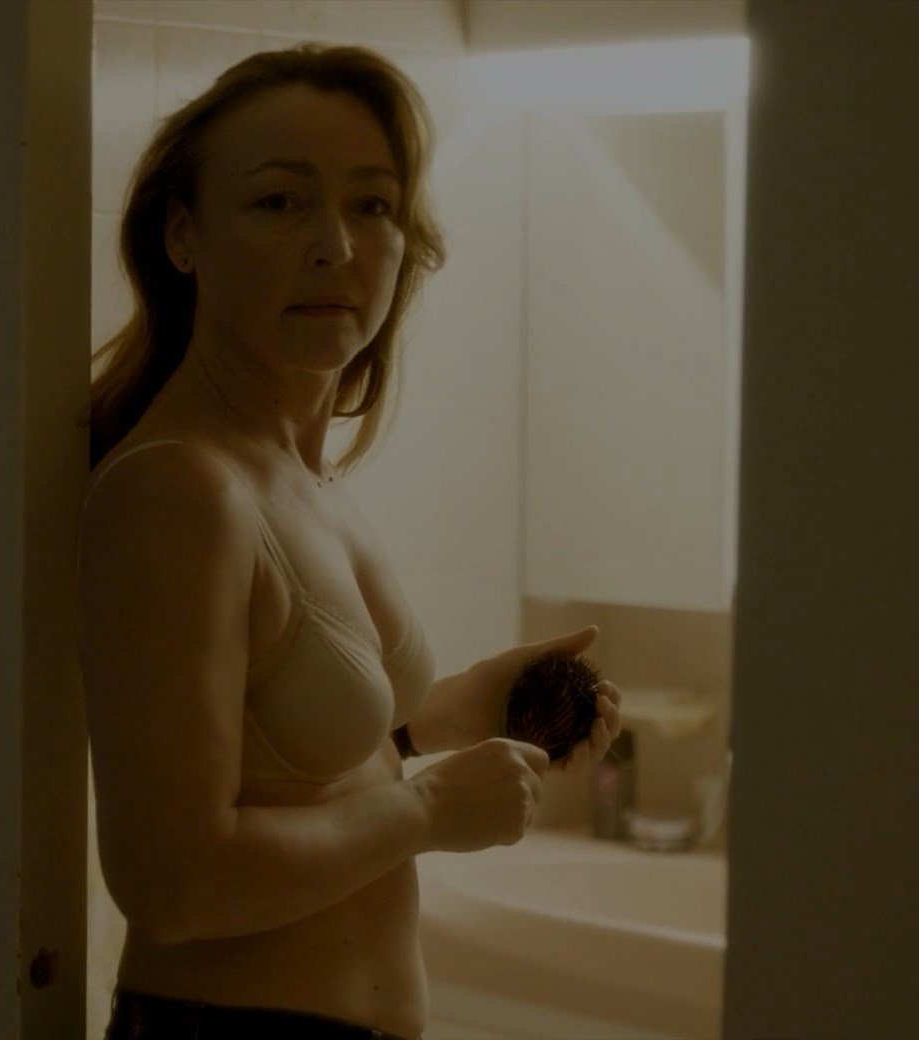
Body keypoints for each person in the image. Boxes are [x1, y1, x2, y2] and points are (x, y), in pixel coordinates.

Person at [75, 43, 623, 1040]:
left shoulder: (302, 476)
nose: (335, 244)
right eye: (279, 202)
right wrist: (429, 810)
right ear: (184, 234)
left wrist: (446, 714)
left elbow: (285, 772)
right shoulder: (179, 491)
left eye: (372, 204)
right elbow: (172, 885)